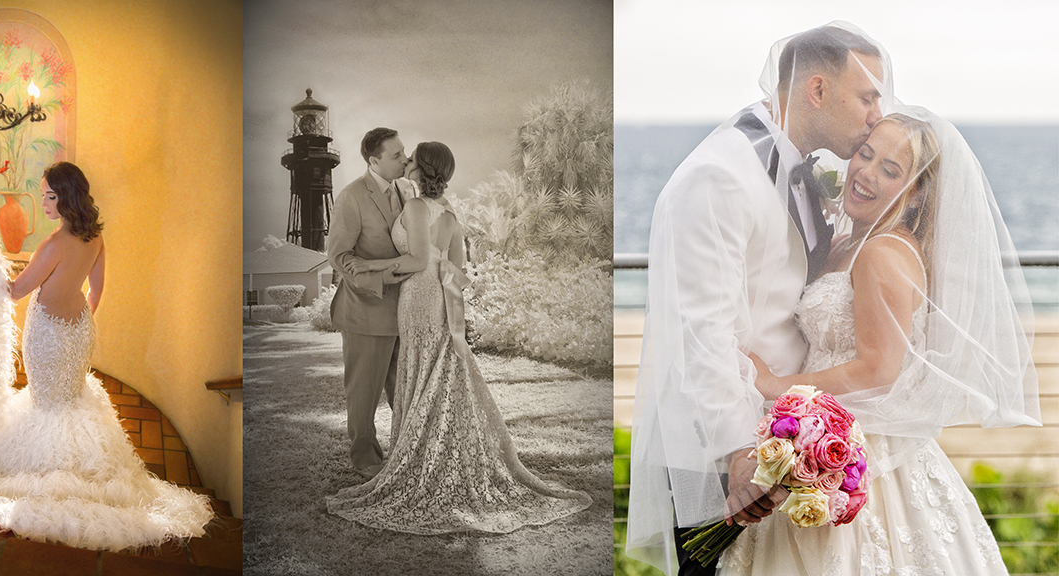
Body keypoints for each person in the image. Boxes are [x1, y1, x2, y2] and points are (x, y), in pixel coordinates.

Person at [715, 110, 1039, 575]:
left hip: (866, 459)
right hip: (825, 439)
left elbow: (877, 370)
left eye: (890, 170)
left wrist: (774, 385)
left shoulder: (882, 253)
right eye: (865, 155)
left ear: (915, 194)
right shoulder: (849, 244)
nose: (865, 173)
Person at [626, 23, 890, 575]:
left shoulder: (790, 166)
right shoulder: (719, 176)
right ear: (817, 91)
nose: (877, 115)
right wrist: (738, 453)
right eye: (867, 97)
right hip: (726, 456)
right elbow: (701, 331)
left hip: (786, 443)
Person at [0, 161, 214, 551]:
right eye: (44, 194)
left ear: (67, 197)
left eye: (50, 195)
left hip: (47, 335)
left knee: (47, 403)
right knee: (68, 398)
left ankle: (54, 474)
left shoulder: (51, 246)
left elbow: (15, 292)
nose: (44, 202)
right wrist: (79, 323)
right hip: (80, 330)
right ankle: (80, 468)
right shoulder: (94, 237)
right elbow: (96, 291)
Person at [324, 142, 592, 534]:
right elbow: (457, 268)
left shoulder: (415, 207)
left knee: (422, 373)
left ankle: (418, 458)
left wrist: (371, 265)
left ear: (422, 167)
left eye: (411, 156)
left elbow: (417, 260)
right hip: (438, 296)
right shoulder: (450, 212)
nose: (407, 160)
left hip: (416, 296)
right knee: (438, 371)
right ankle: (436, 449)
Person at [326, 127, 413, 480]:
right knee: (363, 393)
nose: (405, 159)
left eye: (403, 152)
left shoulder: (406, 190)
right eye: (396, 155)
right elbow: (338, 256)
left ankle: (408, 451)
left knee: (404, 389)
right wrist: (378, 280)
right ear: (373, 160)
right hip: (365, 309)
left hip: (405, 311)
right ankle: (365, 458)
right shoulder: (351, 197)